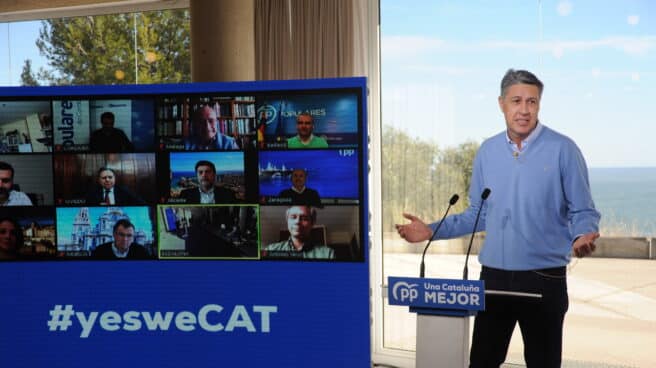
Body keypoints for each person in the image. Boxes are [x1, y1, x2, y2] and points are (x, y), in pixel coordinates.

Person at [395, 69, 600, 368]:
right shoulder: (487, 151)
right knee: (482, 362)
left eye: (532, 102)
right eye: (517, 101)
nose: (524, 109)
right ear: (501, 103)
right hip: (493, 278)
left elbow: (583, 210)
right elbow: (477, 215)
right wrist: (430, 230)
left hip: (544, 278)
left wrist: (583, 234)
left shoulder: (563, 149)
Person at [264, 205, 335, 259]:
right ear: (287, 221)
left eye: (304, 218)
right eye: (293, 217)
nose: (297, 221)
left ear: (312, 223)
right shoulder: (271, 249)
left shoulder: (327, 254)